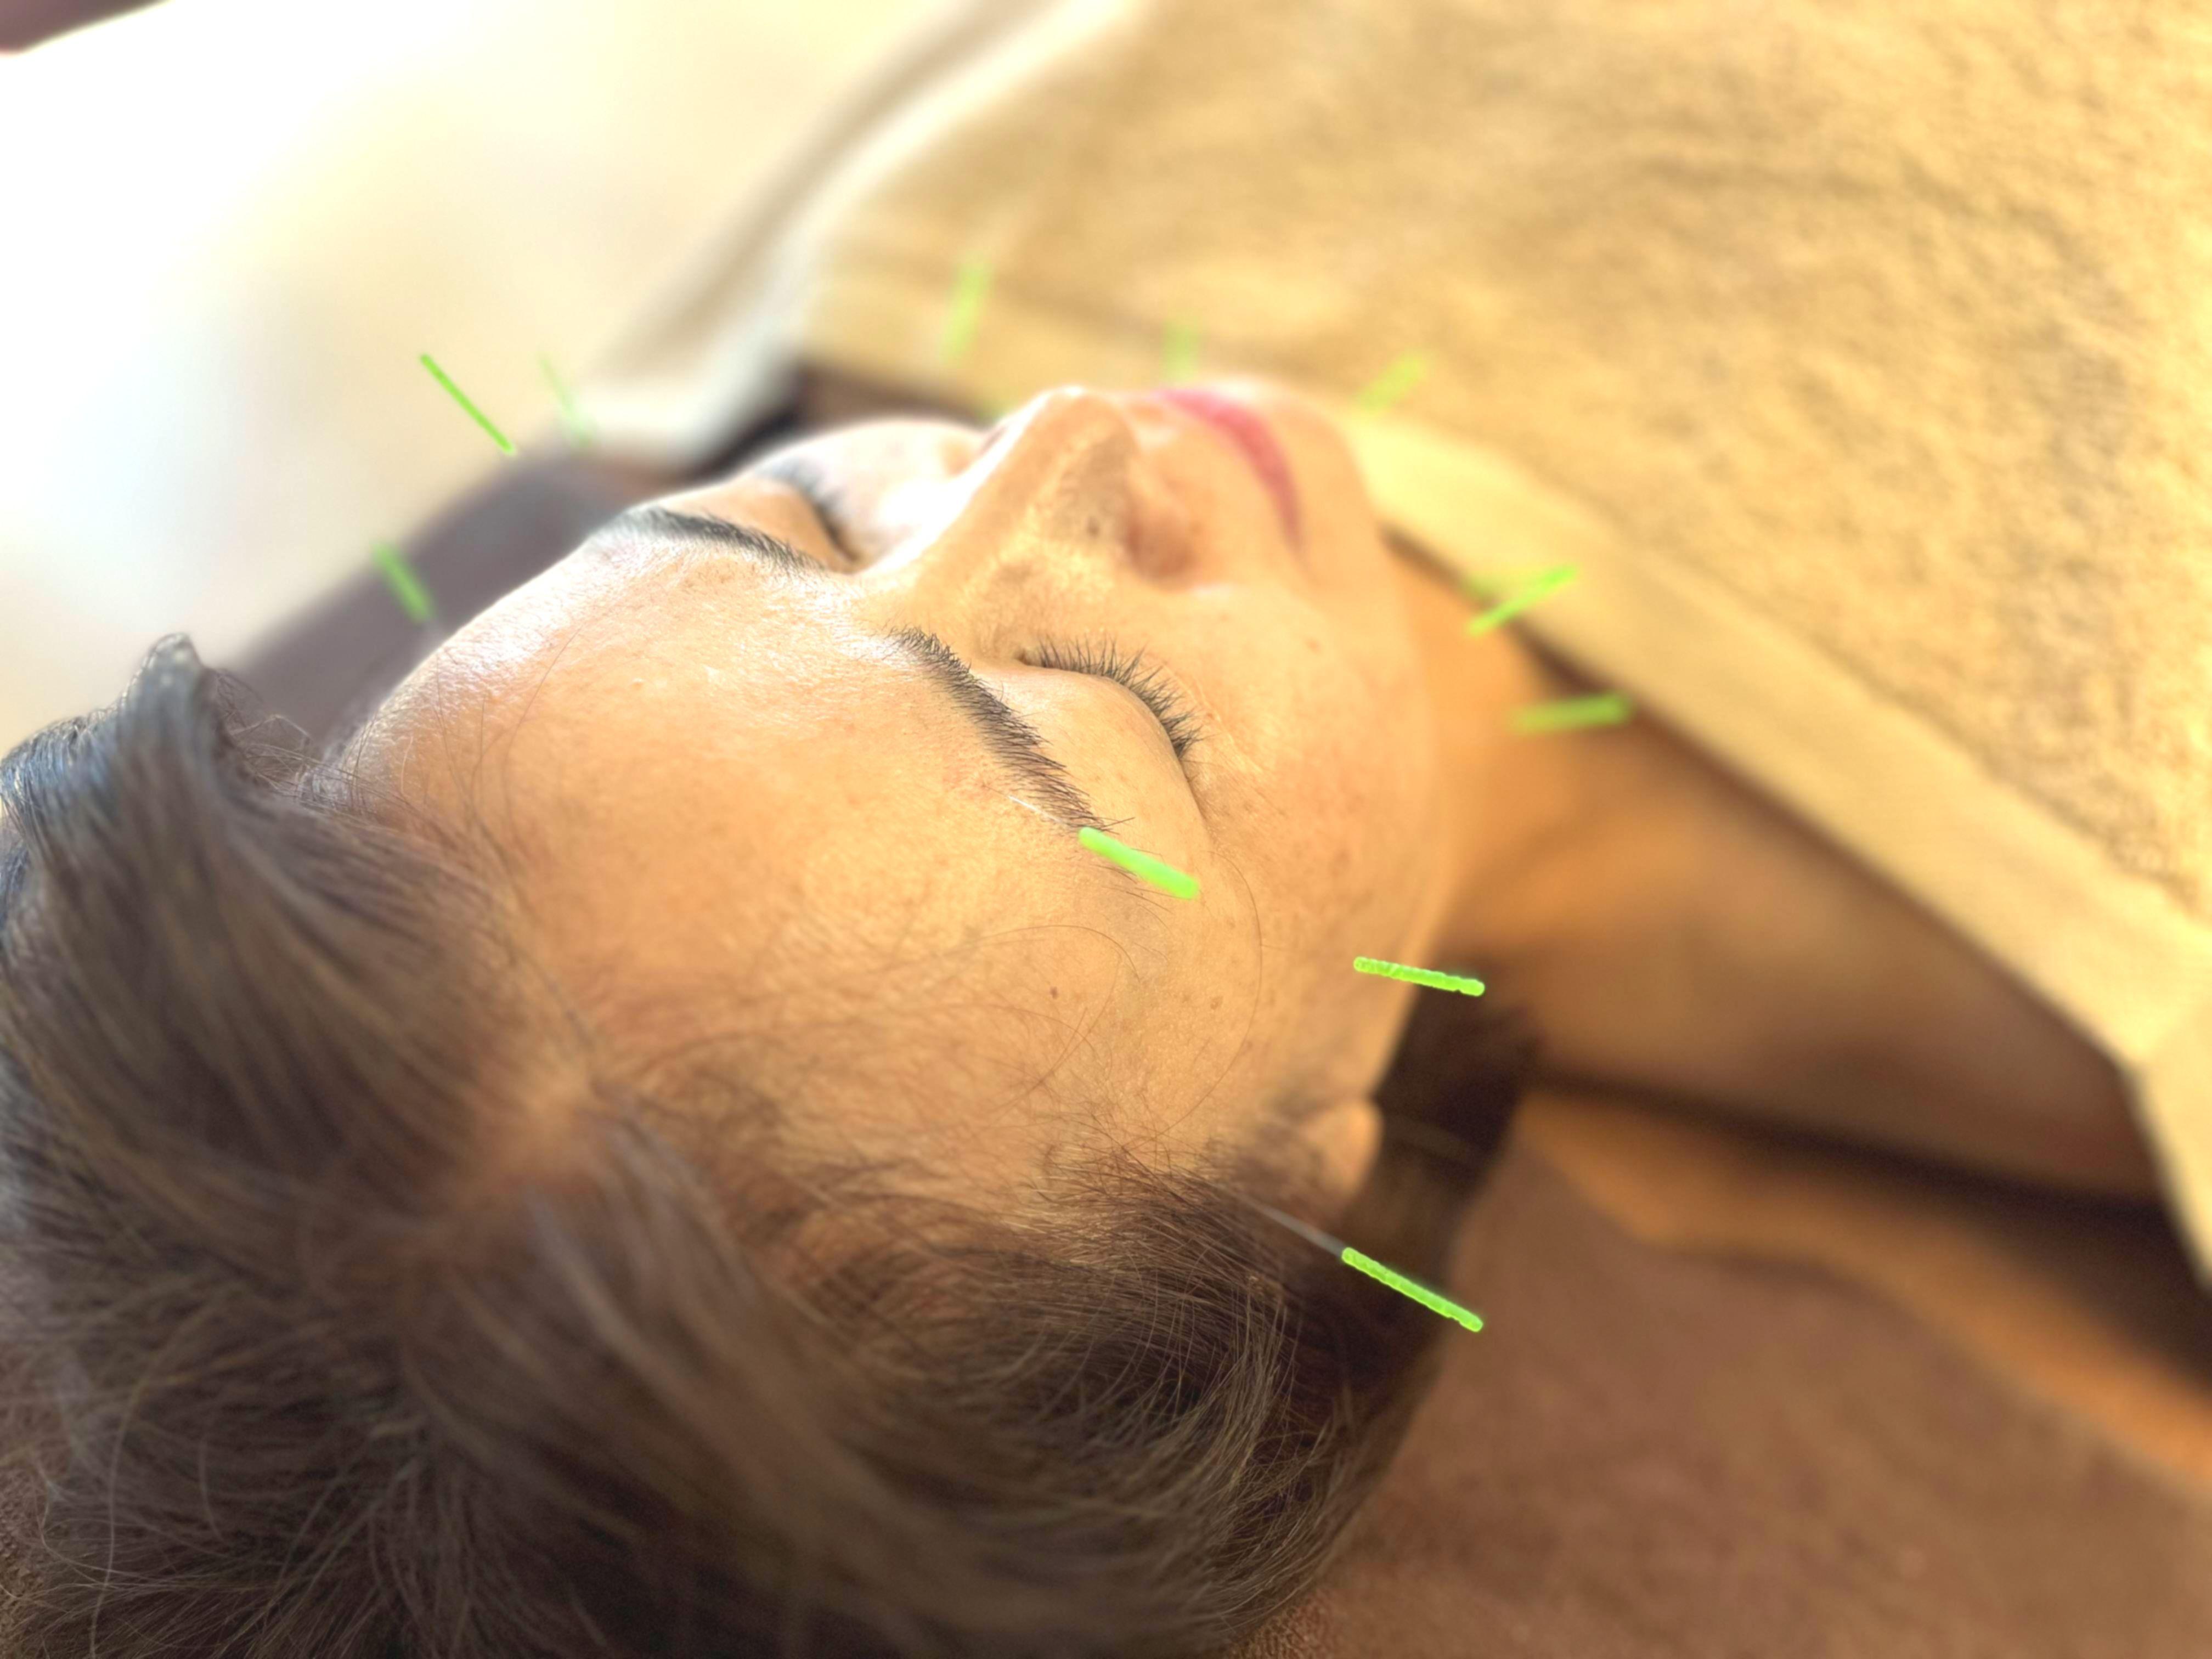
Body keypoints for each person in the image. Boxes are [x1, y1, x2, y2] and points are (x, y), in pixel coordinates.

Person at [9, 1, 2212, 1654]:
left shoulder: (929, 244)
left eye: (792, 514)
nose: (1058, 441)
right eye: (1110, 711)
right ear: (1304, 1187)